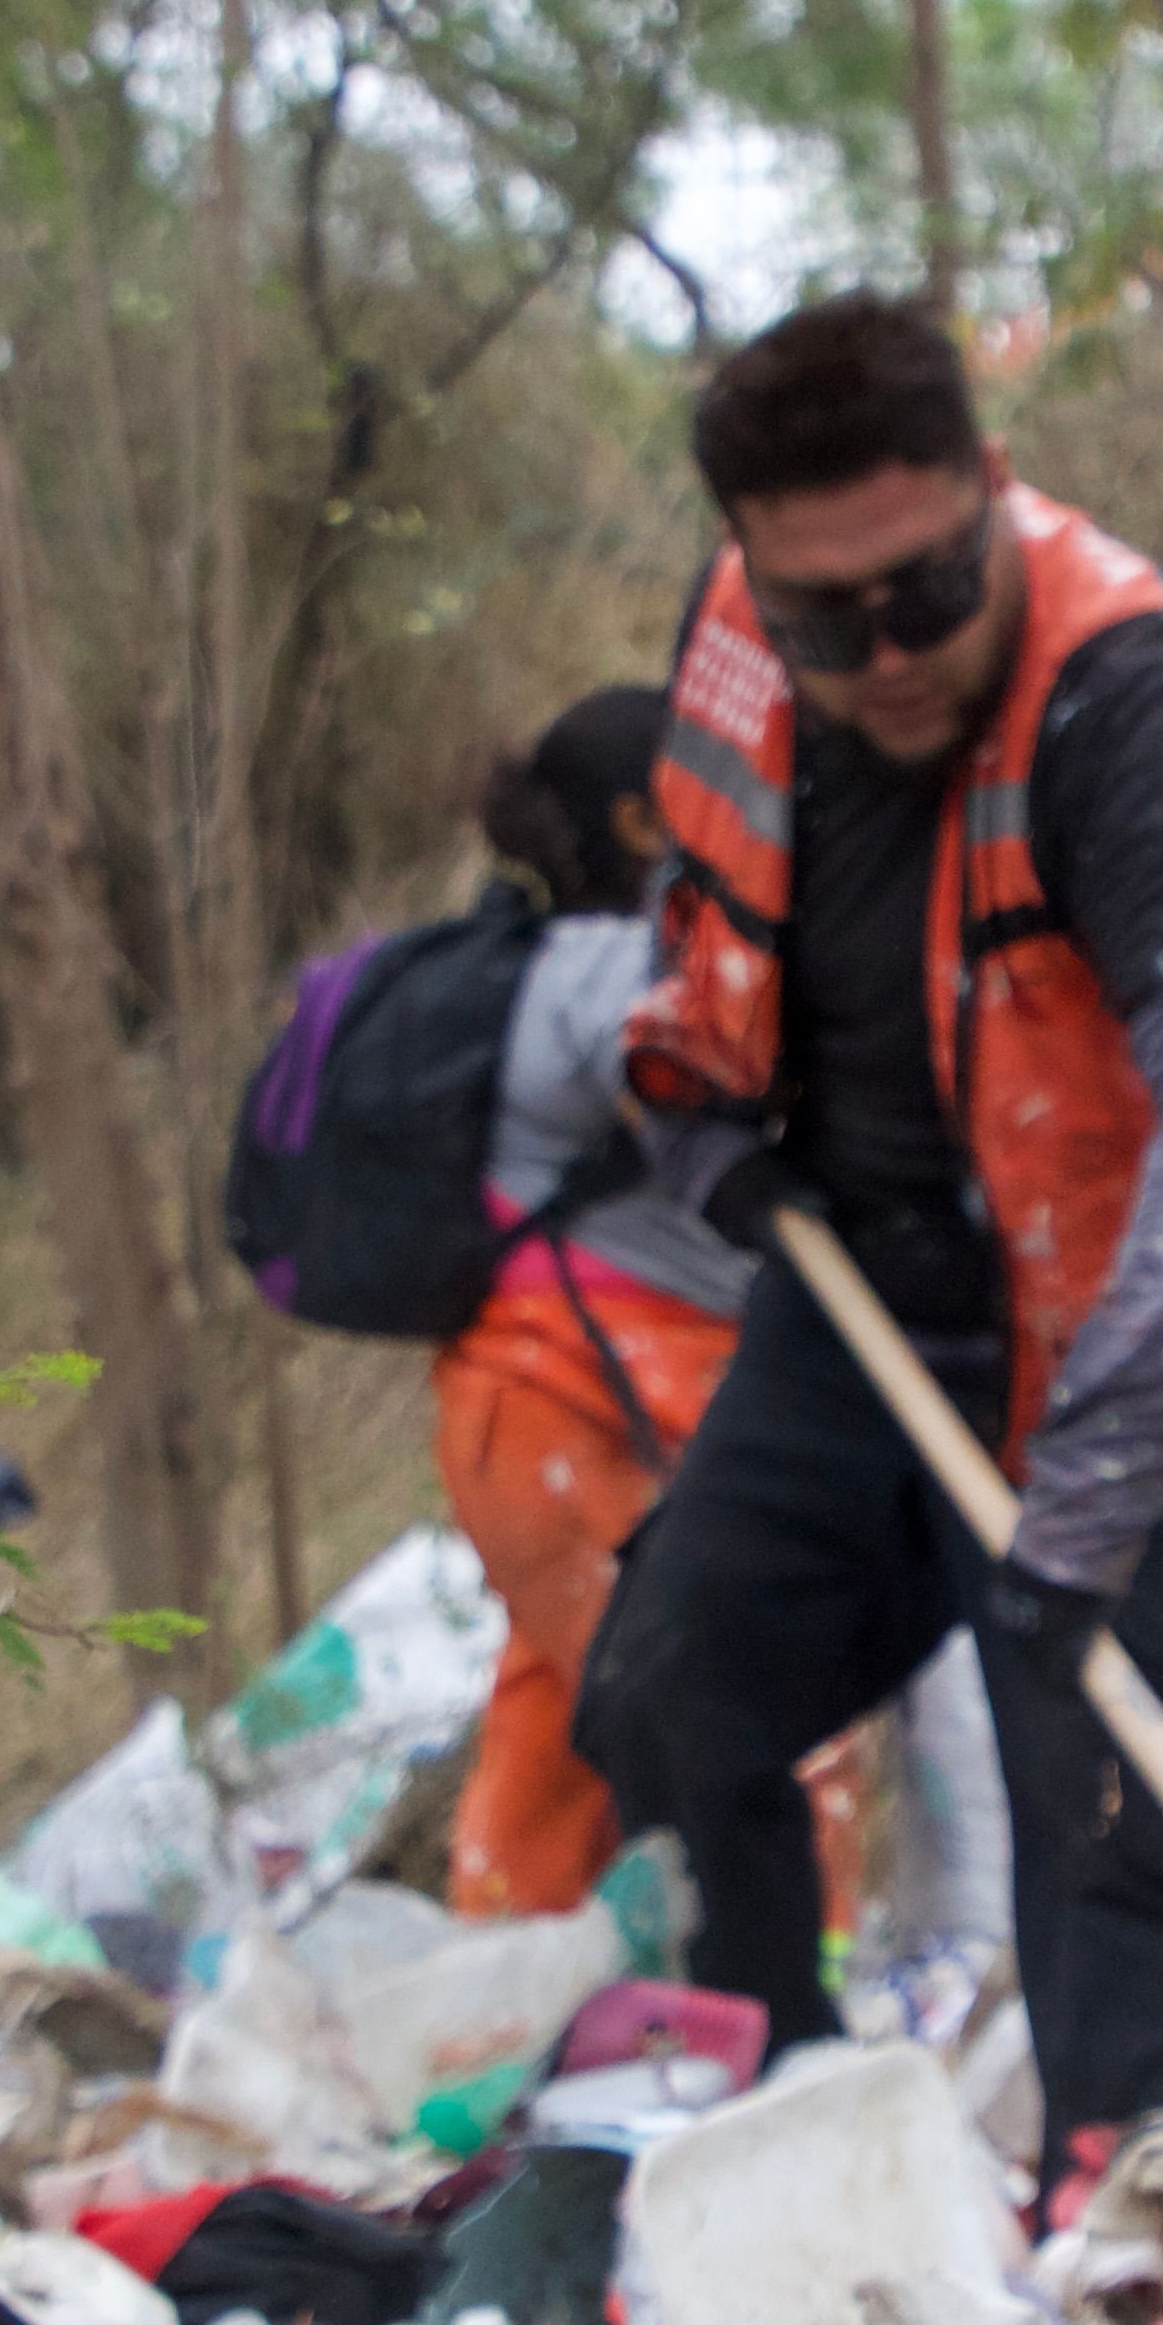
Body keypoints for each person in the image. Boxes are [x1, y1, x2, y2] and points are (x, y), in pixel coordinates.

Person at [575, 290, 1163, 2196]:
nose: (888, 655)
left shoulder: (1136, 696)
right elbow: (693, 898)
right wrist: (701, 1131)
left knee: (1109, 1815)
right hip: (873, 1297)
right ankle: (779, 2108)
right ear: (752, 569)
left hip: (1151, 1322)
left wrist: (1098, 1495)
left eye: (929, 591)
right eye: (825, 614)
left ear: (995, 495)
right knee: (674, 1691)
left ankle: (1153, 2212)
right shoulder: (753, 647)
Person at [424, 687, 860, 1919]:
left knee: (564, 1713)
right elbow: (714, 1082)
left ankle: (495, 2003)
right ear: (635, 817)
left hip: (519, 1420)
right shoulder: (613, 974)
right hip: (590, 1411)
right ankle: (790, 2007)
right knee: (765, 1702)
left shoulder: (532, 969)